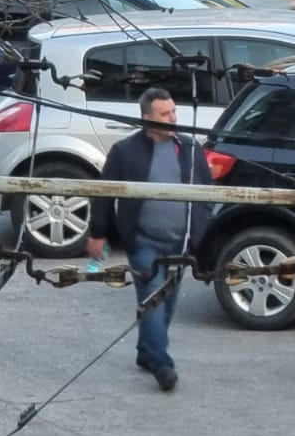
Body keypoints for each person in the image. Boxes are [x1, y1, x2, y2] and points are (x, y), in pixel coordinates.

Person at [87, 88, 213, 392]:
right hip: (144, 243)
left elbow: (208, 194)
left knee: (166, 304)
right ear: (146, 118)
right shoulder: (125, 152)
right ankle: (162, 364)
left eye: (173, 112)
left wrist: (202, 231)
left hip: (180, 244)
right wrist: (97, 234)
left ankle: (146, 353)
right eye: (164, 114)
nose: (172, 119)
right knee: (154, 298)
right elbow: (103, 195)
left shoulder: (190, 149)